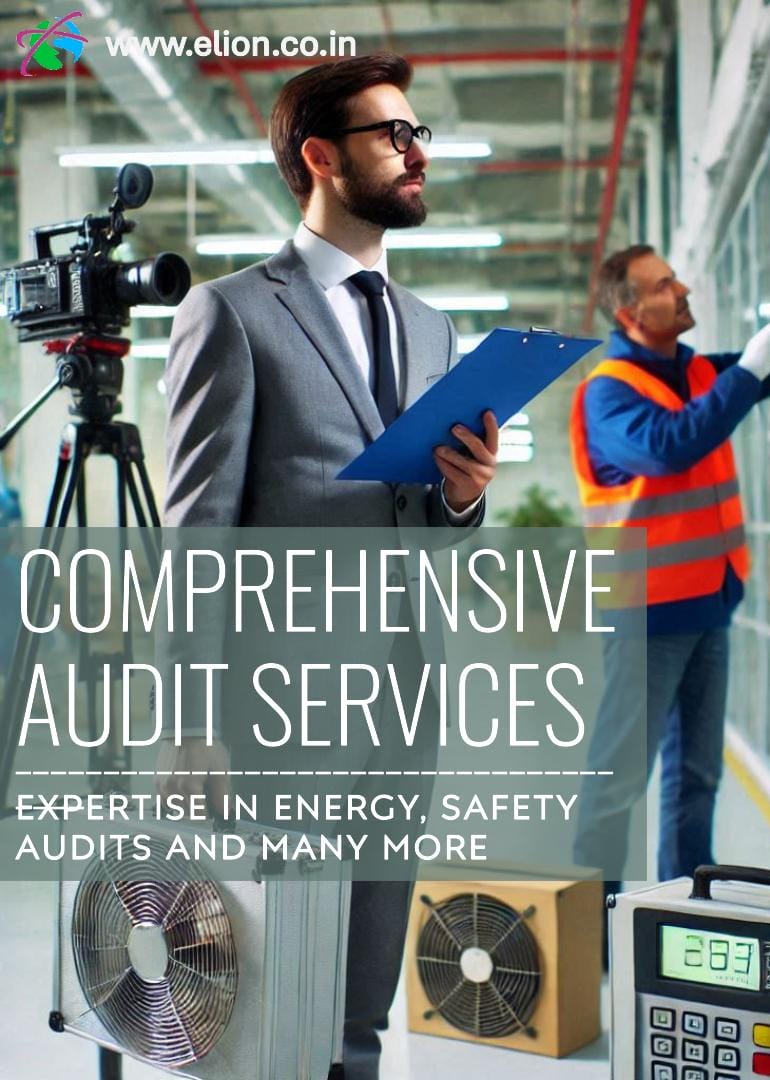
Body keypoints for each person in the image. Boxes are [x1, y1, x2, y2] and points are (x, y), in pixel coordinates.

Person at [161, 53, 498, 1080]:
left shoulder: (433, 329)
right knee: (268, 976)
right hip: (283, 705)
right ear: (319, 156)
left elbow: (425, 519)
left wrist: (465, 495)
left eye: (417, 133)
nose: (415, 152)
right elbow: (198, 533)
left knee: (363, 981)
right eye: (390, 134)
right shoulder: (234, 314)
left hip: (405, 690)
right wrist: (189, 719)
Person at [570, 230, 770, 898]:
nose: (681, 291)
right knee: (617, 785)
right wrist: (744, 375)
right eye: (663, 286)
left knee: (697, 776)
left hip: (710, 601)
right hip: (643, 614)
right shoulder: (606, 394)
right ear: (630, 315)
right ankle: (592, 936)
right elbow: (669, 447)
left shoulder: (699, 374)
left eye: (675, 279)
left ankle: (682, 911)